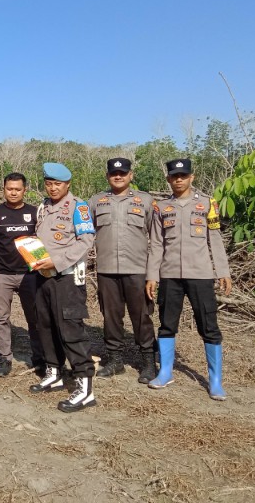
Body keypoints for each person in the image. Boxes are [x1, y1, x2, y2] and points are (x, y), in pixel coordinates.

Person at [146, 158, 232, 401]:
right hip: (170, 275)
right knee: (166, 324)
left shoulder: (207, 204)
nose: (179, 180)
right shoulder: (160, 207)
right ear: (168, 179)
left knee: (209, 326)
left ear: (191, 177)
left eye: (183, 176)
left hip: (201, 275)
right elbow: (156, 243)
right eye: (174, 176)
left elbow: (215, 239)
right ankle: (165, 372)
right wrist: (152, 275)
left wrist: (222, 271)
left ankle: (215, 381)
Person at [30, 162, 97, 413]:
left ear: (67, 184)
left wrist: (56, 261)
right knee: (45, 326)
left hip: (67, 278)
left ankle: (84, 387)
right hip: (43, 277)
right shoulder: (44, 207)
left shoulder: (78, 207)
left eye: (57, 184)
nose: (53, 188)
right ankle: (54, 373)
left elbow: (86, 241)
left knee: (71, 330)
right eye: (49, 183)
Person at [88, 158, 157, 383]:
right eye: (114, 173)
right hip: (107, 269)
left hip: (137, 269)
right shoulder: (97, 201)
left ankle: (148, 362)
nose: (118, 176)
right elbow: (86, 233)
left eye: (123, 173)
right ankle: (115, 360)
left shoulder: (145, 200)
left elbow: (156, 239)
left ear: (131, 175)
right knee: (110, 317)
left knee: (142, 317)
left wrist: (153, 274)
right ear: (107, 175)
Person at [0, 172, 45, 378]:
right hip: (1, 273)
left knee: (35, 317)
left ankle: (40, 358)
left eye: (17, 189)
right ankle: (4, 358)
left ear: (24, 190)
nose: (13, 192)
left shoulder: (35, 212)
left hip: (29, 274)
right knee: (2, 318)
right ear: (3, 189)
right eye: (9, 189)